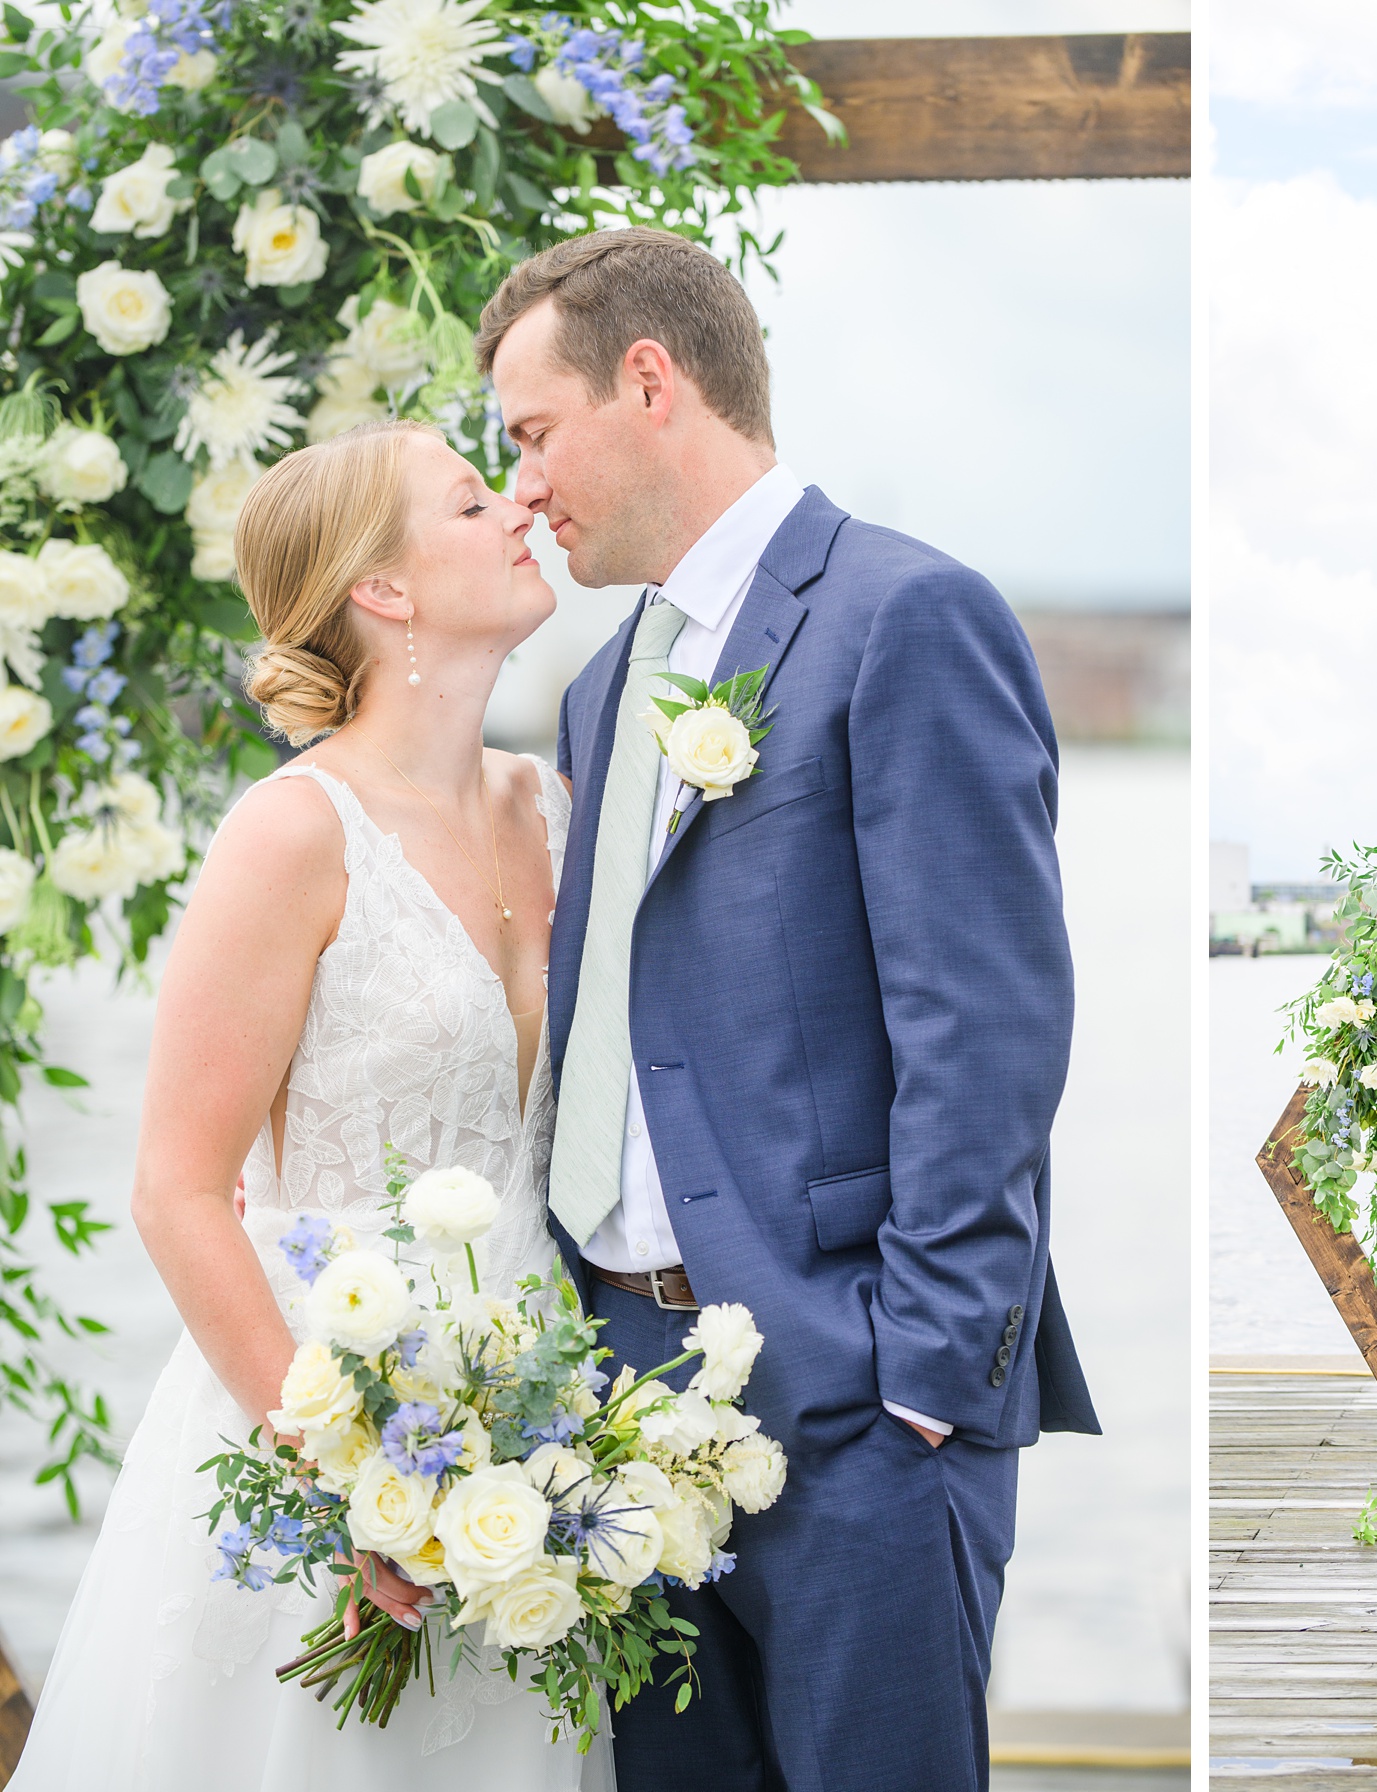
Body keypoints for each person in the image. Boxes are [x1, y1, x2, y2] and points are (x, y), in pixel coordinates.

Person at [476, 225, 1099, 1792]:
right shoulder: (602, 688)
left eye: (533, 437)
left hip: (856, 1403)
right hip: (617, 1402)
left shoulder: (906, 615)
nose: (527, 488)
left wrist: (923, 1376)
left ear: (649, 379)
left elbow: (988, 1024)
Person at [15, 421, 606, 1786]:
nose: (517, 503)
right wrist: (344, 1477)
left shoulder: (558, 804)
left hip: (539, 1424)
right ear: (384, 592)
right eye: (471, 501)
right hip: (328, 1408)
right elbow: (175, 1188)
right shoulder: (293, 833)